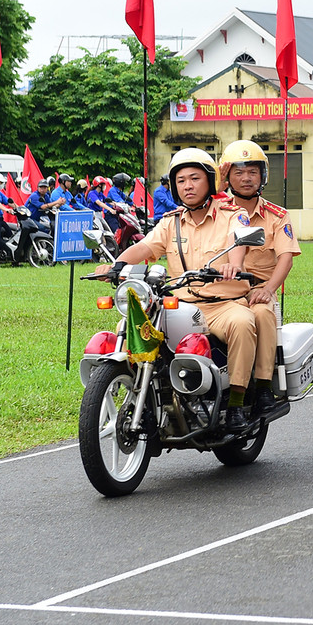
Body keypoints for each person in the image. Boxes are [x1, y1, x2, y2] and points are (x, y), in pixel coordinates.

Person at [106, 148, 259, 433]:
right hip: (181, 306)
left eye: (195, 178)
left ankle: (237, 403)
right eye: (181, 181)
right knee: (129, 325)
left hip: (223, 305)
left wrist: (233, 266)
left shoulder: (233, 215)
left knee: (242, 323)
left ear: (210, 181)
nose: (188, 186)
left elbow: (239, 243)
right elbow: (145, 247)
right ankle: (139, 391)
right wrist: (116, 264)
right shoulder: (170, 222)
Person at [217, 140, 300, 421]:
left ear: (263, 176)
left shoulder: (276, 215)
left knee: (263, 314)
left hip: (257, 290)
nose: (246, 178)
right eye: (238, 173)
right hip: (222, 291)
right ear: (227, 177)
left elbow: (286, 257)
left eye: (252, 172)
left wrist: (268, 289)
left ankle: (264, 387)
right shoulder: (216, 211)